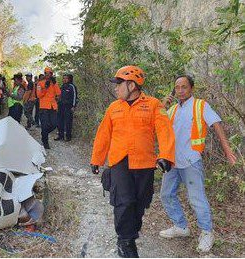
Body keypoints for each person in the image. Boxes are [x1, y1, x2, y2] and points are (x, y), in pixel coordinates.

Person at [90, 65, 175, 258]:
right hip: (120, 161)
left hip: (144, 162)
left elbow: (164, 130)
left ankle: (131, 232)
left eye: (119, 84)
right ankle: (125, 241)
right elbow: (103, 135)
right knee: (124, 201)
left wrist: (166, 155)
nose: (115, 88)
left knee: (140, 201)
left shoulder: (153, 104)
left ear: (132, 85)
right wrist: (97, 159)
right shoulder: (113, 107)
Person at [159, 75, 237, 253]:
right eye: (177, 87)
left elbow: (216, 124)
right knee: (166, 194)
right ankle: (181, 227)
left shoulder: (200, 105)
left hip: (191, 161)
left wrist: (227, 149)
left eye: (184, 87)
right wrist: (162, 107)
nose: (180, 90)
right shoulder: (171, 110)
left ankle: (207, 232)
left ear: (191, 88)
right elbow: (157, 126)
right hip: (172, 162)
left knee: (197, 199)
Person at [37, 67, 61, 149]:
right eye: (46, 73)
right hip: (43, 107)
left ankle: (44, 134)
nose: (48, 75)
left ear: (51, 74)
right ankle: (45, 141)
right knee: (44, 125)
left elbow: (58, 93)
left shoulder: (54, 83)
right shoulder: (40, 83)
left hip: (52, 107)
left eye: (49, 73)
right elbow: (39, 95)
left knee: (54, 124)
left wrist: (54, 84)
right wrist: (45, 88)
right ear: (44, 74)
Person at [55, 73, 78, 141]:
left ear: (69, 79)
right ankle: (60, 136)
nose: (64, 79)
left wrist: (73, 106)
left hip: (68, 107)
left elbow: (75, 97)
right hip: (61, 106)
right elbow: (59, 96)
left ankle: (68, 137)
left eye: (66, 78)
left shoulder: (72, 86)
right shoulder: (62, 86)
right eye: (63, 78)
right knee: (59, 121)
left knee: (68, 122)